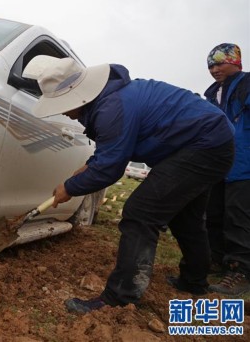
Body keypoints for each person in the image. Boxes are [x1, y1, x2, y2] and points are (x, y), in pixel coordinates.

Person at [21, 56, 234, 313]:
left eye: (62, 104)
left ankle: (120, 297)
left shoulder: (112, 108)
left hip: (203, 145)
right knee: (184, 216)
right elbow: (111, 151)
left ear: (77, 96)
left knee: (140, 213)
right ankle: (194, 281)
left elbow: (110, 169)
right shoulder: (111, 100)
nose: (63, 111)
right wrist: (89, 167)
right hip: (212, 141)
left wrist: (69, 187)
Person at [204, 43, 250, 295]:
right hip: (219, 165)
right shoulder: (212, 93)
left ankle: (240, 270)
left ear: (235, 62)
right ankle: (217, 260)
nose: (214, 69)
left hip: (245, 165)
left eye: (220, 63)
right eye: (210, 65)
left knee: (238, 218)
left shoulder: (246, 84)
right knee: (214, 215)